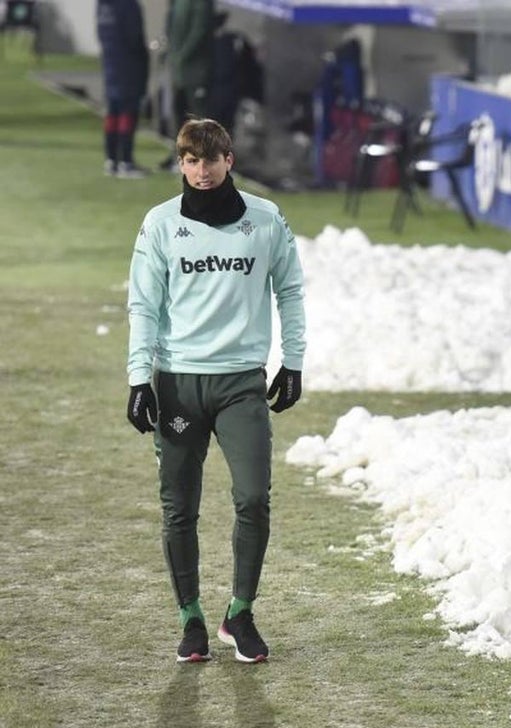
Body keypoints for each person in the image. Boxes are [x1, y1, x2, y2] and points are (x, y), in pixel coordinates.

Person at [126, 117, 306, 664]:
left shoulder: (265, 218)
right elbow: (143, 304)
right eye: (190, 161)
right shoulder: (159, 224)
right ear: (181, 164)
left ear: (229, 160)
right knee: (179, 507)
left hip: (241, 384)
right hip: (179, 383)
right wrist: (139, 378)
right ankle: (191, 619)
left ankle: (240, 614)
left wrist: (293, 362)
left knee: (253, 498)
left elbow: (290, 289)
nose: (201, 171)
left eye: (210, 160)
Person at [159, 0, 216, 169]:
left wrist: (181, 56)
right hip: (179, 72)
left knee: (198, 118)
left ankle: (201, 160)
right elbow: (171, 26)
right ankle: (179, 157)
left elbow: (199, 30)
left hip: (196, 71)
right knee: (179, 115)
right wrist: (171, 54)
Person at [96, 0, 149, 178]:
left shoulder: (103, 5)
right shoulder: (128, 5)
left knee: (113, 112)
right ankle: (126, 162)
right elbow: (135, 38)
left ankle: (111, 159)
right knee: (128, 113)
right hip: (128, 66)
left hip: (110, 64)